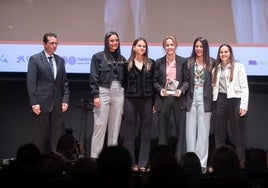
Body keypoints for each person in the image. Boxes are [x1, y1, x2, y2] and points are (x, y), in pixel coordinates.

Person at [26, 32, 70, 154]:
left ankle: (56, 164)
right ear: (44, 44)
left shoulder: (60, 60)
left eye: (56, 43)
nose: (54, 46)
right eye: (51, 43)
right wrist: (34, 103)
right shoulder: (35, 59)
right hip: (41, 104)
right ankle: (37, 165)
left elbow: (64, 82)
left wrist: (65, 100)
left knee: (56, 138)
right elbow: (31, 82)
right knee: (39, 138)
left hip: (57, 104)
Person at [89, 31, 126, 159]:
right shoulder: (98, 57)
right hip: (103, 91)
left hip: (118, 91)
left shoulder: (122, 59)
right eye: (111, 40)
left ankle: (112, 159)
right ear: (106, 42)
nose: (114, 43)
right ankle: (95, 159)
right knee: (99, 125)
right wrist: (95, 95)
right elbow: (93, 77)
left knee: (115, 127)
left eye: (116, 40)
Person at [153, 35, 189, 161]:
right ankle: (163, 160)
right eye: (167, 45)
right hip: (163, 99)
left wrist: (181, 90)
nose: (169, 47)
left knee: (180, 133)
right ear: (164, 47)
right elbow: (155, 81)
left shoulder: (183, 61)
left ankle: (179, 160)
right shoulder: (158, 62)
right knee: (162, 132)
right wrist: (160, 90)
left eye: (171, 44)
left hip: (179, 100)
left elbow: (187, 81)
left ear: (176, 46)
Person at [212, 43, 249, 167]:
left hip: (235, 101)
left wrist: (243, 105)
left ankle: (240, 162)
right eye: (221, 52)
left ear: (230, 53)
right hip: (219, 101)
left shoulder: (239, 66)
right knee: (219, 134)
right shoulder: (215, 68)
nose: (223, 54)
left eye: (226, 52)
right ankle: (219, 163)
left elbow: (245, 87)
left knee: (238, 134)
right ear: (219, 54)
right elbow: (213, 88)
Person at [122, 37, 155, 171]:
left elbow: (153, 84)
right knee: (129, 132)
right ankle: (130, 163)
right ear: (134, 47)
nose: (142, 48)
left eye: (144, 46)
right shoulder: (127, 64)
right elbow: (123, 83)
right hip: (130, 100)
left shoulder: (151, 64)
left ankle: (143, 163)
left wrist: (153, 102)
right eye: (139, 46)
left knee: (146, 132)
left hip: (147, 100)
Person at [185, 37, 214, 171]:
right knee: (190, 132)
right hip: (191, 97)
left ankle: (201, 164)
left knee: (203, 132)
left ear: (205, 48)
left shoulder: (212, 63)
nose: (198, 49)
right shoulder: (189, 62)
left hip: (205, 98)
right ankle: (190, 163)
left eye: (201, 47)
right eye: (196, 46)